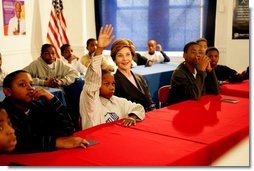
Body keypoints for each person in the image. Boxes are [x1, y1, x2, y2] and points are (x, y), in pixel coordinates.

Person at [1, 70, 89, 153]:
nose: (30, 88)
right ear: (8, 91)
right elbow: (14, 143)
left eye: (31, 84)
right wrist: (56, 142)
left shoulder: (37, 106)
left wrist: (52, 99)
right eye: (22, 85)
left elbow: (68, 130)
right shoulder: (2, 113)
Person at [80, 25, 145, 130]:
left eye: (113, 84)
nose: (111, 87)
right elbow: (92, 79)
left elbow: (138, 107)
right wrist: (100, 49)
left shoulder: (117, 101)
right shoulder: (90, 100)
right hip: (94, 141)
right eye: (106, 84)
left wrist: (132, 116)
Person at [111, 38, 156, 112]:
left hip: (148, 116)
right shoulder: (114, 81)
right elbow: (118, 110)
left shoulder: (140, 77)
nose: (125, 59)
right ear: (114, 59)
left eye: (128, 54)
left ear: (132, 56)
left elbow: (150, 102)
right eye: (120, 55)